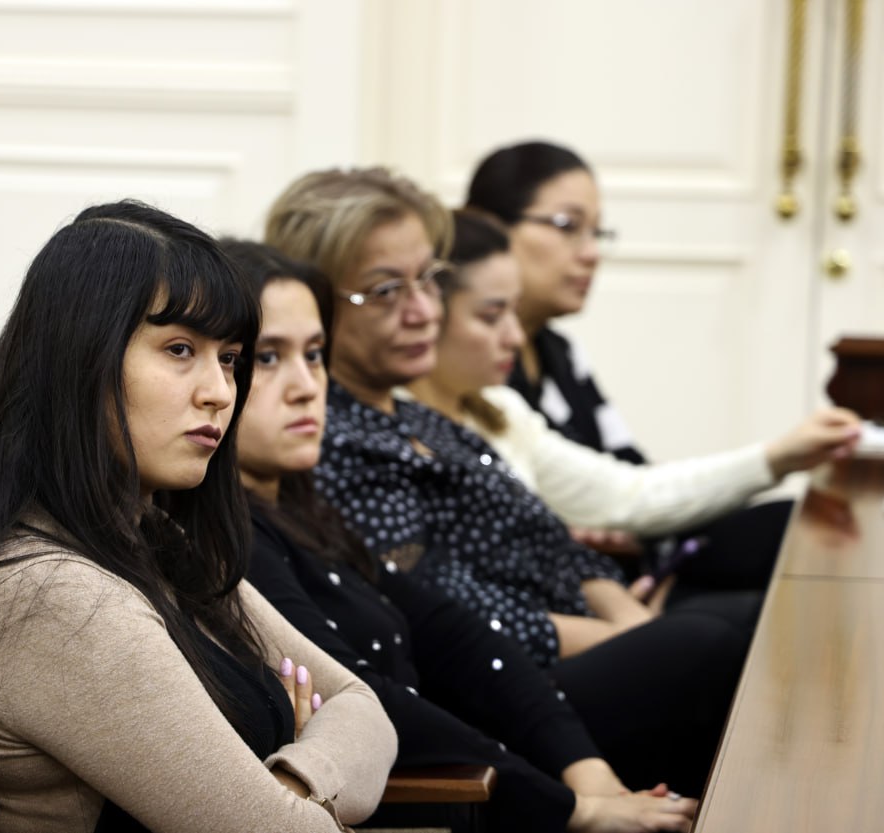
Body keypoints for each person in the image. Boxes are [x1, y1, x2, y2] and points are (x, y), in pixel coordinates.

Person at [263, 166, 756, 795]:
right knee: (713, 643)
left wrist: (621, 607)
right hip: (501, 689)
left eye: (429, 280)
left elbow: (546, 535)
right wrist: (630, 634)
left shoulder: (416, 412)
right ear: (316, 300)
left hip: (559, 648)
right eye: (386, 290)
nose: (421, 311)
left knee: (737, 618)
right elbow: (448, 608)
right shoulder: (328, 440)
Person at [0, 201, 396, 833]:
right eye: (178, 349)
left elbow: (363, 709)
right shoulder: (52, 598)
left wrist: (292, 782)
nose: (220, 391)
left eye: (227, 357)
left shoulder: (142, 534)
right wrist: (296, 783)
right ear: (79, 359)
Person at [224, 237, 696, 832]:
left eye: (315, 354)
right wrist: (572, 809)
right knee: (702, 649)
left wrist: (586, 772)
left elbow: (452, 633)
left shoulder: (301, 504)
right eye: (267, 358)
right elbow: (367, 698)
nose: (305, 385)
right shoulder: (232, 539)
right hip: (426, 799)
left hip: (478, 754)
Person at [407, 208, 861, 602]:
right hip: (527, 640)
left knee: (779, 535)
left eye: (513, 311)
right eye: (491, 316)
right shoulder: (400, 430)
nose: (514, 335)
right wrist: (613, 616)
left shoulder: (500, 408)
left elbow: (629, 493)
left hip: (572, 608)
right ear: (429, 313)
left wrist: (778, 457)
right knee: (723, 628)